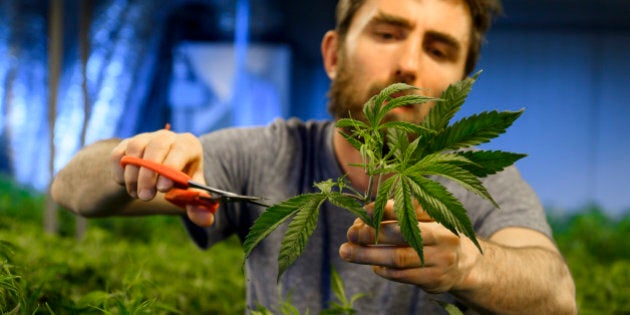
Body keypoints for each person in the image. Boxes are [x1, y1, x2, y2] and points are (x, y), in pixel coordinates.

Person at [52, 0, 577, 313]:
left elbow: (555, 294)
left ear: (460, 83)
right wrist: (138, 158)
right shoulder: (269, 153)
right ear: (332, 54)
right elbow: (72, 188)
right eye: (388, 32)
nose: (408, 65)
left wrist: (465, 263)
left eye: (439, 49)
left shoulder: (475, 180)